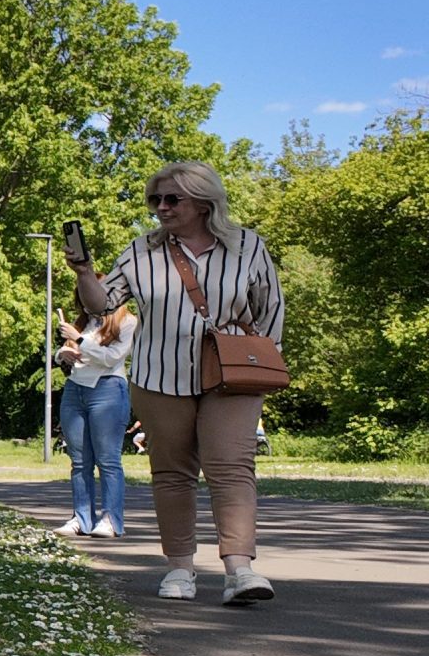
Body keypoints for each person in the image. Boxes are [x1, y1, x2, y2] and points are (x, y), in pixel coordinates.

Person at [68, 161, 284, 604]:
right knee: (171, 474)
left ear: (204, 202)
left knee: (232, 468)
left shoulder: (247, 246)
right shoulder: (141, 249)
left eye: (172, 199)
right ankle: (180, 570)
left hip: (231, 376)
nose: (161, 208)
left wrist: (255, 357)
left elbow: (270, 309)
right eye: (155, 200)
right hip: (159, 375)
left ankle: (239, 571)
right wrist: (84, 272)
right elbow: (103, 305)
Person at [53, 306, 137, 537]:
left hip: (108, 388)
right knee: (79, 462)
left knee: (108, 460)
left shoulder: (128, 321)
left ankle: (110, 520)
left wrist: (78, 339)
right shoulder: (83, 321)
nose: (86, 303)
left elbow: (112, 359)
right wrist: (62, 354)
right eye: (82, 298)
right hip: (75, 389)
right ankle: (81, 518)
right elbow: (59, 353)